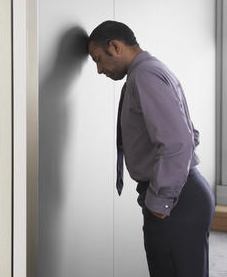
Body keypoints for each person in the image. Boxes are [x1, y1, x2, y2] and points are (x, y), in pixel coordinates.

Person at [87, 20, 215, 277]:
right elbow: (190, 134)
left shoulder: (144, 76)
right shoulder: (153, 70)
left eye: (98, 59)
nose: (99, 70)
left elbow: (178, 142)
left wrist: (159, 202)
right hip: (184, 192)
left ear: (115, 46)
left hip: (177, 201)